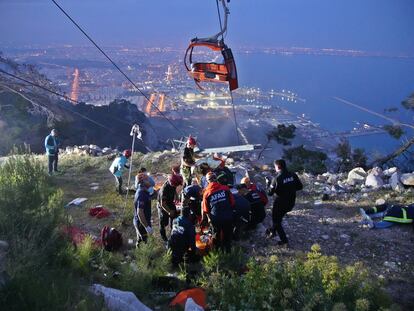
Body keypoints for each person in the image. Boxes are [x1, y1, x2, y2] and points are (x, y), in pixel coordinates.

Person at [266, 159, 303, 246]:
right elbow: (300, 187)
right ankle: (272, 231)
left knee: (276, 221)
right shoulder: (293, 175)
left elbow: (269, 193)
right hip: (291, 202)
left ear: (278, 167)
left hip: (280, 203)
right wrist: (290, 189)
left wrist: (268, 184)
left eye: (275, 167)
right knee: (278, 219)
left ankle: (284, 241)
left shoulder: (277, 179)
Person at [202, 172, 235, 252]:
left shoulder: (206, 193)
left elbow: (206, 210)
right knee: (227, 236)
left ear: (207, 181)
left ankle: (217, 252)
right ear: (216, 178)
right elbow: (232, 203)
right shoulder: (225, 188)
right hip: (228, 217)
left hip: (216, 219)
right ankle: (228, 252)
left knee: (216, 236)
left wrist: (209, 219)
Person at [157, 174, 184, 241]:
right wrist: (169, 211)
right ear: (171, 183)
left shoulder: (173, 183)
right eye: (175, 185)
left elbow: (174, 190)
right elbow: (163, 204)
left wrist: (176, 196)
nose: (176, 186)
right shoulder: (164, 190)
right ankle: (164, 239)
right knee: (163, 223)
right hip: (163, 206)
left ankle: (173, 234)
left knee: (174, 218)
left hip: (170, 203)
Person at [133, 173, 153, 246]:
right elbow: (140, 213)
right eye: (147, 180)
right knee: (145, 241)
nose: (149, 181)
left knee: (140, 238)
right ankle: (144, 254)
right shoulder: (141, 195)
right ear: (143, 182)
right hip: (141, 223)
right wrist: (147, 227)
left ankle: (138, 246)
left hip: (143, 221)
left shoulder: (144, 191)